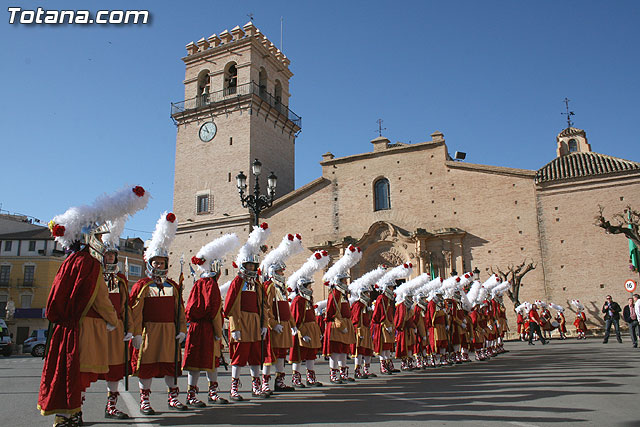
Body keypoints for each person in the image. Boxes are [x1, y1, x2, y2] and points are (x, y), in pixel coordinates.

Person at [38, 185, 148, 427]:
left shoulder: (69, 262)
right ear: (87, 237)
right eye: (98, 236)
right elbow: (100, 298)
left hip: (67, 328)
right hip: (84, 329)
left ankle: (66, 415)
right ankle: (70, 416)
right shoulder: (88, 264)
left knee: (70, 374)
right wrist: (113, 321)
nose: (101, 242)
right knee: (78, 375)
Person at [130, 212, 188, 414]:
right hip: (149, 332)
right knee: (146, 366)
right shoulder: (142, 285)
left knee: (170, 366)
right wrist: (136, 333)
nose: (159, 266)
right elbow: (135, 312)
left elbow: (180, 310)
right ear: (150, 263)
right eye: (156, 262)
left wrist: (182, 329)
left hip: (170, 332)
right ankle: (144, 400)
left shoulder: (173, 285)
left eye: (162, 262)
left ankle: (173, 397)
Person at [183, 233, 240, 407]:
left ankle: (207, 393)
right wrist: (217, 332)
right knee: (203, 363)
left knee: (208, 362)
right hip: (205, 328)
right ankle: (199, 394)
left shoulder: (200, 283)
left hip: (197, 327)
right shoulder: (210, 285)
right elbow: (214, 310)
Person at [223, 222, 271, 400]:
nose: (251, 268)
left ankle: (256, 385)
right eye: (249, 265)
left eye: (253, 265)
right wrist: (234, 327)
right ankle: (234, 388)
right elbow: (230, 306)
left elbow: (263, 306)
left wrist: (264, 324)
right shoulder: (237, 282)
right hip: (241, 323)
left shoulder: (257, 284)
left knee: (255, 356)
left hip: (255, 323)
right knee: (238, 357)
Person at [260, 233, 304, 394]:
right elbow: (266, 308)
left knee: (281, 355)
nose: (282, 273)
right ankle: (265, 383)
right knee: (270, 356)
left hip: (284, 325)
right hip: (275, 326)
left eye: (282, 271)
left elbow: (286, 308)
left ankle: (280, 382)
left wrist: (292, 325)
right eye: (279, 271)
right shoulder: (270, 287)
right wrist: (272, 324)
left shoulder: (281, 288)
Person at [99, 221, 134, 420]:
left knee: (114, 370)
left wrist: (128, 327)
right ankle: (77, 408)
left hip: (116, 328)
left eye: (112, 255)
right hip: (96, 327)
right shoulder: (93, 275)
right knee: (86, 368)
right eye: (107, 255)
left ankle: (111, 406)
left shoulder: (120, 279)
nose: (110, 258)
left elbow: (125, 305)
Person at [287, 250, 330, 387]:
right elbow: (296, 319)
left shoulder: (308, 300)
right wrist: (301, 334)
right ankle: (296, 378)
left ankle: (311, 378)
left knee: (311, 355)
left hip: (311, 330)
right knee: (299, 357)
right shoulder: (298, 301)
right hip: (302, 331)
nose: (311, 288)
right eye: (309, 286)